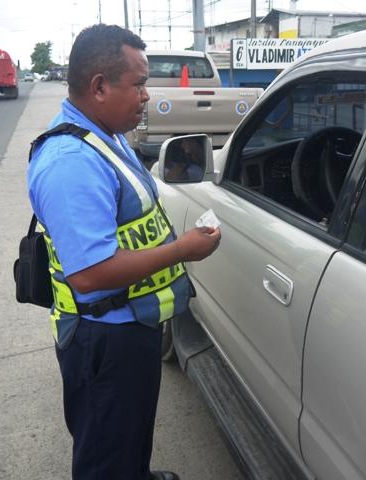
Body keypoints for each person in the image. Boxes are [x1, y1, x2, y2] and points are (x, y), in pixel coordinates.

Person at [27, 24, 221, 480]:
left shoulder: (104, 135)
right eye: (138, 84)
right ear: (99, 86)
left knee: (128, 433)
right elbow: (90, 274)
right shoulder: (71, 162)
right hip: (102, 338)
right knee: (106, 453)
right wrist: (183, 250)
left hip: (130, 323)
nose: (146, 95)